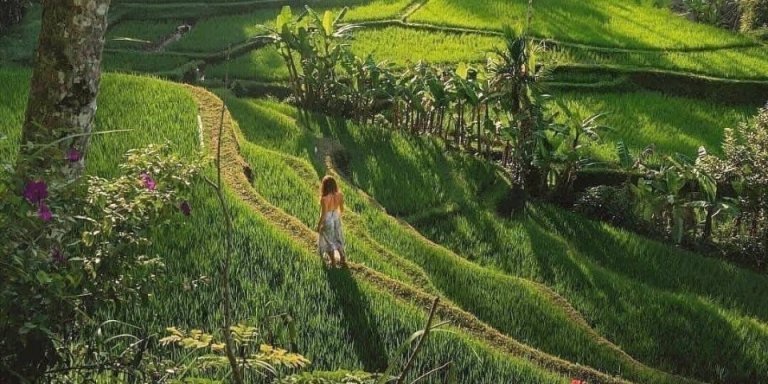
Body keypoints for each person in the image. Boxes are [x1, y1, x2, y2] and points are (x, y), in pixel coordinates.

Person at [317, 175, 347, 267]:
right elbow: (342, 209)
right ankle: (342, 258)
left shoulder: (324, 199)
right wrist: (337, 215)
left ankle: (333, 261)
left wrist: (319, 225)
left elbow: (324, 214)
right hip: (336, 216)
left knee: (328, 240)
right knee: (337, 238)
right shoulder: (340, 195)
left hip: (328, 218)